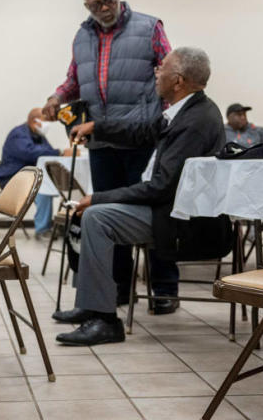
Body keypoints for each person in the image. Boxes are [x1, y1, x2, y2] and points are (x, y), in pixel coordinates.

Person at [53, 47, 226, 346]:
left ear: (178, 81)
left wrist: (99, 198)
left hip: (179, 219)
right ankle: (93, 304)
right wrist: (98, 126)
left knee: (96, 217)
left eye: (163, 69)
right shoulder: (184, 111)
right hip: (166, 209)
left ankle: (105, 320)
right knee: (94, 214)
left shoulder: (195, 122)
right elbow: (140, 131)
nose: (156, 73)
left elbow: (162, 187)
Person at [41, 0, 175, 309]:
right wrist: (57, 97)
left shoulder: (149, 27)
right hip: (100, 141)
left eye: (109, 0)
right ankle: (118, 288)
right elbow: (74, 79)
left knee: (152, 212)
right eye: (96, 4)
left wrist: (170, 121)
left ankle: (164, 289)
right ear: (86, 6)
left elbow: (170, 73)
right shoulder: (82, 36)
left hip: (142, 137)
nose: (104, 8)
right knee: (107, 214)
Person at [0, 108, 70, 237]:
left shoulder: (38, 135)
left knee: (62, 184)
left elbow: (47, 151)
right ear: (34, 121)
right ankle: (42, 229)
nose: (47, 124)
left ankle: (67, 224)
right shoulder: (18, 134)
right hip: (13, 178)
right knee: (42, 190)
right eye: (45, 121)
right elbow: (29, 153)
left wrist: (60, 153)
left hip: (29, 177)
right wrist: (60, 152)